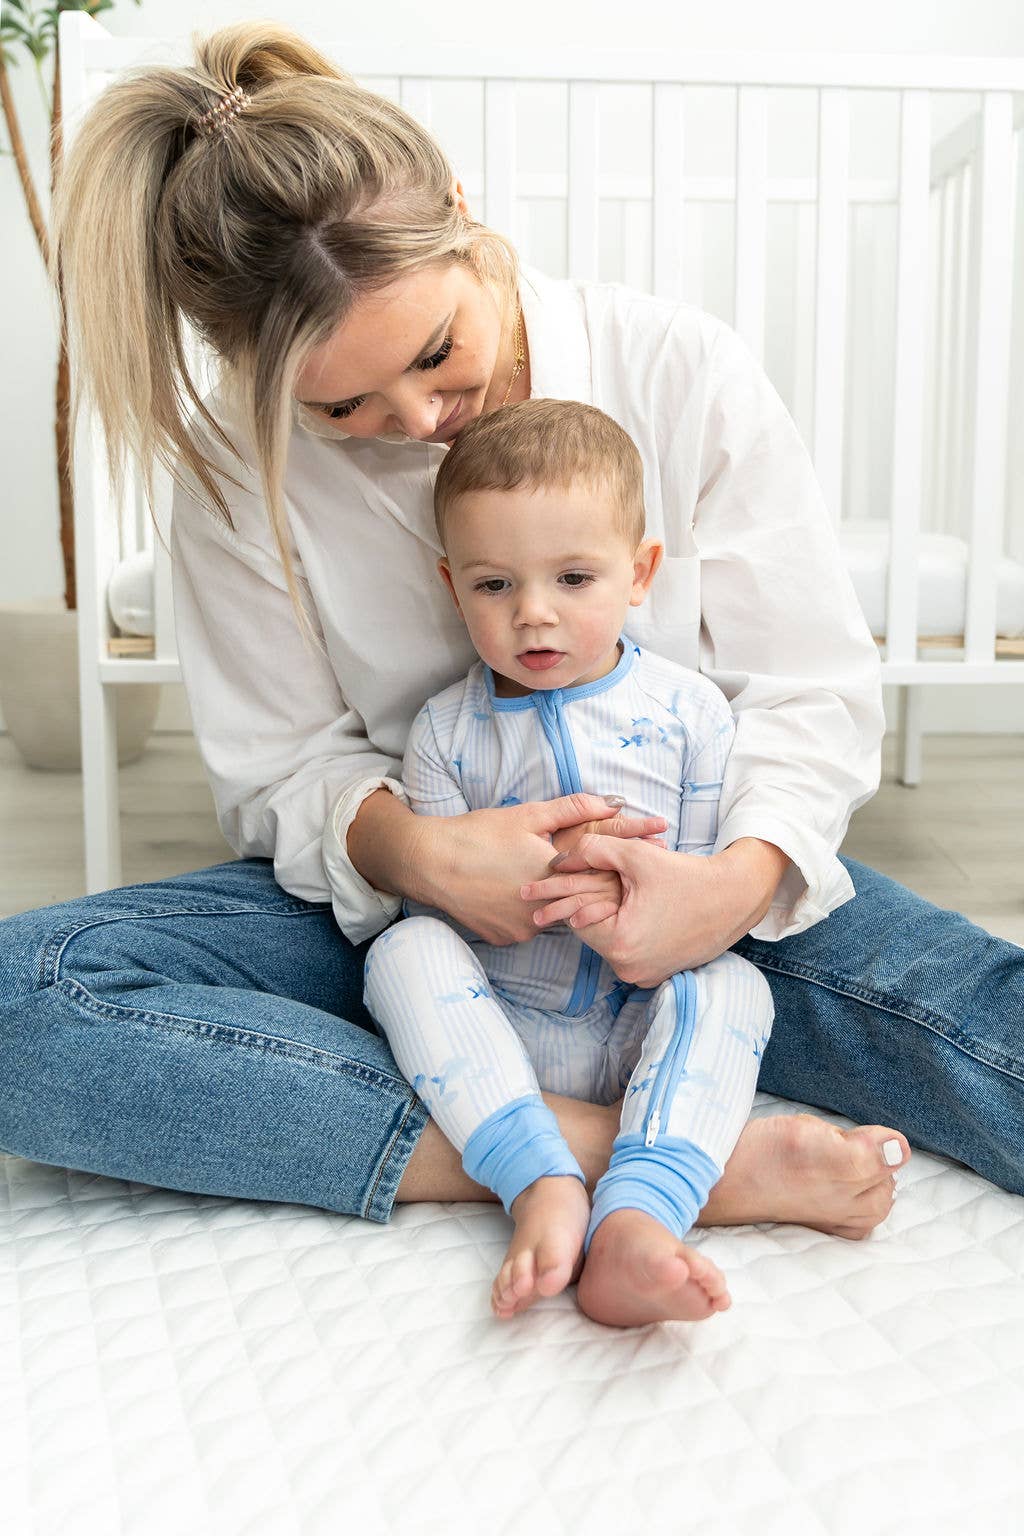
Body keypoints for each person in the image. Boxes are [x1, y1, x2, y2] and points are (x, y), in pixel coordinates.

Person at [5, 21, 1019, 1249]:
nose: (422, 422)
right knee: (27, 1004)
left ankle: (598, 1113)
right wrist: (422, 859)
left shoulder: (676, 367)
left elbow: (806, 689)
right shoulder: (233, 468)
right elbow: (284, 769)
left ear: (463, 211)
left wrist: (725, 888)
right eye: (342, 409)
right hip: (400, 924)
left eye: (438, 356)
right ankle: (648, 1156)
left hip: (690, 909)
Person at [364, 397, 780, 1328]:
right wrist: (511, 887)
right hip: (503, 1032)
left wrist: (646, 899)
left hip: (639, 1013)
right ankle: (537, 1176)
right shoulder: (446, 732)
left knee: (735, 987)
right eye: (494, 585)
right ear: (450, 583)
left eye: (574, 577)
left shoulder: (691, 714)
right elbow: (438, 906)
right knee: (399, 956)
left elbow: (708, 883)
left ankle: (642, 1213)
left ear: (641, 574)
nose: (534, 615)